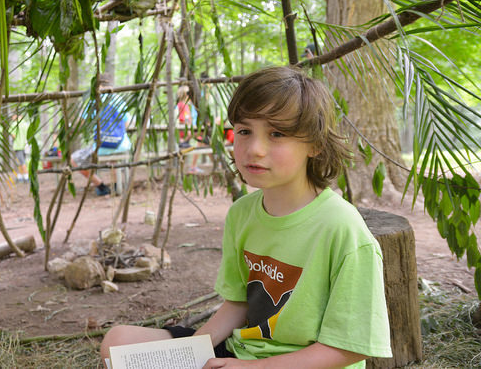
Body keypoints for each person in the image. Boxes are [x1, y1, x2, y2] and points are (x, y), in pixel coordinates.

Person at [100, 66, 392, 368]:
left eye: (277, 133)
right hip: (244, 352)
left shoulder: (342, 228)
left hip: (304, 363)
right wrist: (192, 352)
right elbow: (239, 302)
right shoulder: (242, 214)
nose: (255, 149)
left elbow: (350, 348)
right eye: (244, 131)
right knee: (118, 341)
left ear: (315, 144)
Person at [71, 73, 132, 196]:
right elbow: (128, 123)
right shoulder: (118, 100)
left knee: (74, 160)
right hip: (122, 145)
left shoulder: (93, 102)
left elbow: (81, 123)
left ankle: (101, 185)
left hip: (101, 148)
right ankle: (117, 185)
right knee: (114, 158)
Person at [11, 115, 29, 183]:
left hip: (18, 146)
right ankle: (21, 177)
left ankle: (26, 177)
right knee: (22, 161)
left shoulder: (14, 124)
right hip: (25, 145)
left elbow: (13, 135)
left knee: (21, 162)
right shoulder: (25, 124)